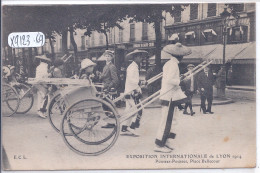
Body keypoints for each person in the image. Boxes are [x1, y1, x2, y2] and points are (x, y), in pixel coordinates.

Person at [154, 43, 191, 153]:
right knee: (166, 121)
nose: (183, 57)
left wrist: (179, 79)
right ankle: (159, 145)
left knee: (173, 120)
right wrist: (181, 81)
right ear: (179, 55)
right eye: (182, 55)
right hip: (168, 96)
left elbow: (169, 78)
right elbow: (170, 80)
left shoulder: (169, 63)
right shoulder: (173, 65)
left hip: (172, 96)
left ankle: (167, 141)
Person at [121, 49, 148, 136]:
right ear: (135, 57)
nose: (141, 58)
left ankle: (124, 128)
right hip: (132, 92)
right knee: (139, 110)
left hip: (129, 91)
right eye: (139, 57)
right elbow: (132, 81)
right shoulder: (132, 67)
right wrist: (141, 82)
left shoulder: (134, 66)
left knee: (129, 110)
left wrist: (140, 82)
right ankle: (132, 127)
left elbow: (133, 80)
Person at [34, 54, 52, 118]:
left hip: (38, 83)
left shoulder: (39, 67)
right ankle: (41, 111)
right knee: (46, 98)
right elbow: (45, 76)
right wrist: (49, 74)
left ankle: (39, 110)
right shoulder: (44, 67)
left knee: (40, 98)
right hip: (42, 83)